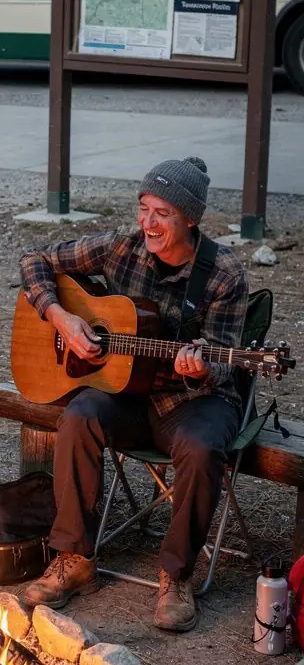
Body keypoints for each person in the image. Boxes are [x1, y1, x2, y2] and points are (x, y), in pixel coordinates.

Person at [19, 155, 249, 634]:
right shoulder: (121, 248)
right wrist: (62, 318)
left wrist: (199, 365)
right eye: (143, 207)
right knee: (80, 415)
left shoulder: (224, 273)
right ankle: (73, 559)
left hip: (193, 401)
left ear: (190, 218)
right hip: (127, 394)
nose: (147, 222)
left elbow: (224, 370)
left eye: (162, 214)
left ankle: (178, 574)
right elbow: (34, 259)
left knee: (205, 447)